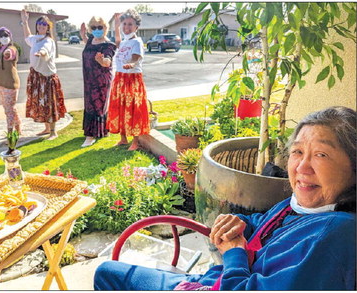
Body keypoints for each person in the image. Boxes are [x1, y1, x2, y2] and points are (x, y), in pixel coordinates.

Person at [94, 106, 356, 290]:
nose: (301, 167)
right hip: (211, 280)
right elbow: (260, 222)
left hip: (221, 284)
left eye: (321, 155)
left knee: (108, 276)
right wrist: (238, 222)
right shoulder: (300, 207)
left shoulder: (337, 232)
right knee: (107, 272)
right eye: (298, 151)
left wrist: (234, 254)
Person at [106, 9, 150, 151]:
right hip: (120, 78)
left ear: (136, 26)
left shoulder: (137, 42)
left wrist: (131, 63)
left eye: (130, 24)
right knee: (121, 108)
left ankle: (136, 141)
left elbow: (136, 56)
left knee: (133, 109)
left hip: (132, 79)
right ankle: (123, 138)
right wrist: (116, 26)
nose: (127, 27)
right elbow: (118, 40)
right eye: (124, 24)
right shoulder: (124, 42)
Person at [20, 10, 67, 140]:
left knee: (49, 103)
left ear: (48, 28)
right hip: (36, 76)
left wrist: (40, 53)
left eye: (44, 24)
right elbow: (27, 36)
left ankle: (53, 132)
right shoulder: (35, 39)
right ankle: (46, 128)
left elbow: (45, 50)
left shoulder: (49, 41)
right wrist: (24, 22)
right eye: (39, 24)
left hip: (47, 77)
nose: (41, 26)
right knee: (41, 103)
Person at [79, 17, 116, 147]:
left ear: (105, 28)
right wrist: (83, 34)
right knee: (89, 103)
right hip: (89, 78)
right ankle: (101, 130)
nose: (97, 30)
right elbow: (88, 45)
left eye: (100, 27)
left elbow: (108, 61)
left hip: (101, 80)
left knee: (97, 105)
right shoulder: (91, 40)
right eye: (94, 27)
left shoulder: (108, 45)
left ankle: (91, 136)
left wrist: (102, 61)